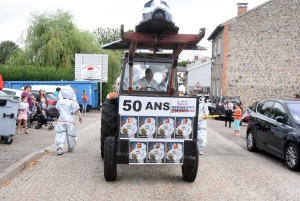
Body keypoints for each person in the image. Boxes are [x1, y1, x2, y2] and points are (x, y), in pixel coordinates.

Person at [55, 87, 82, 155]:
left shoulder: (59, 102)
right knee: (71, 134)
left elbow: (57, 108)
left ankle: (60, 147)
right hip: (70, 120)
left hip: (61, 120)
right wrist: (80, 116)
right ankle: (71, 146)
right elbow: (76, 110)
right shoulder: (71, 102)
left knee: (61, 133)